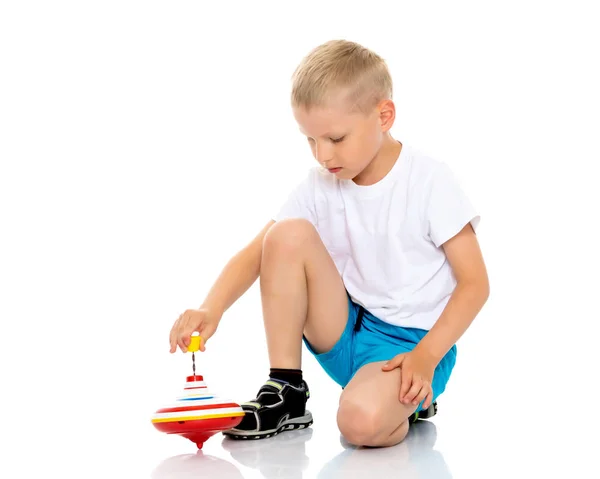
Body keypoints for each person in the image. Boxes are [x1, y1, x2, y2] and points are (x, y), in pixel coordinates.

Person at [168, 39, 490, 448]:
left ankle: (410, 403)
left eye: (335, 138)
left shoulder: (429, 181)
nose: (323, 155)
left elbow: (476, 284)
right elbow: (255, 253)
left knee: (358, 425)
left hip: (415, 348)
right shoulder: (319, 185)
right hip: (346, 330)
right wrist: (210, 308)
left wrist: (426, 357)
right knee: (285, 235)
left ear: (384, 115)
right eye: (310, 140)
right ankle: (286, 389)